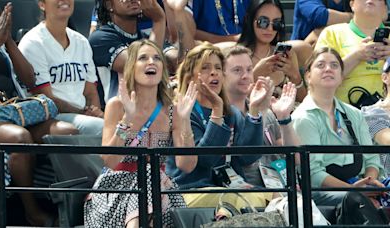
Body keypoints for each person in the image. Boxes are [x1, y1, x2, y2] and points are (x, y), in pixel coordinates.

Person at [84, 39, 197, 228]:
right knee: (148, 181)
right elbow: (110, 161)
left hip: (158, 188)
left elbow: (186, 166)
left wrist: (185, 121)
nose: (151, 62)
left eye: (156, 58)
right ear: (131, 68)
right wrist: (127, 120)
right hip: (116, 190)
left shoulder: (173, 111)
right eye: (143, 58)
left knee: (152, 179)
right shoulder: (117, 105)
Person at [0, 2, 78, 226]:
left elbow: (29, 80)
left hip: (11, 112)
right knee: (19, 138)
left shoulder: (1, 45)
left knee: (66, 132)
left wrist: (7, 41)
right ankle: (31, 212)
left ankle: (72, 204)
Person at [166, 42, 273, 209]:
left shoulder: (231, 112)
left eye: (217, 67)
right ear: (190, 76)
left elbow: (248, 157)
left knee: (284, 196)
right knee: (234, 200)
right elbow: (206, 159)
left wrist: (254, 110)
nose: (214, 72)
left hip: (229, 187)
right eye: (205, 68)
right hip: (190, 189)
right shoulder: (183, 111)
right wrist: (216, 112)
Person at [292, 47, 384, 206]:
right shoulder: (303, 117)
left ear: (341, 77)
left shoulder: (354, 114)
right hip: (320, 194)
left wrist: (370, 183)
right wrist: (354, 191)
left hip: (359, 188)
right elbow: (313, 174)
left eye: (334, 65)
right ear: (308, 76)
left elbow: (372, 159)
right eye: (320, 65)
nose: (328, 69)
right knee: (358, 202)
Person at [18, 0, 104, 136]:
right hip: (49, 118)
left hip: (83, 116)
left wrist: (95, 112)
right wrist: (84, 114)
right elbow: (46, 99)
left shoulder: (81, 42)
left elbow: (90, 92)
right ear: (42, 4)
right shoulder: (33, 42)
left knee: (125, 131)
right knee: (105, 129)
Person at [222, 45, 300, 186]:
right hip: (248, 194)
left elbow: (297, 158)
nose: (245, 75)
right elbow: (246, 157)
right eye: (237, 70)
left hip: (282, 189)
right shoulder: (221, 115)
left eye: (249, 69)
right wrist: (260, 111)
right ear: (222, 75)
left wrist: (284, 118)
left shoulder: (268, 112)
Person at [88, 0, 166, 103]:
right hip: (114, 114)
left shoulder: (146, 38)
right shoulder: (100, 38)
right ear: (109, 4)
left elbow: (178, 61)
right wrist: (159, 20)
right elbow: (141, 67)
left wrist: (176, 11)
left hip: (147, 111)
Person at [315, 0, 390, 106]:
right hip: (344, 114)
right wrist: (357, 55)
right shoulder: (332, 33)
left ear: (385, 9)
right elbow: (319, 80)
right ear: (352, 4)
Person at [238, 0, 308, 102]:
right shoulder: (237, 56)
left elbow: (303, 101)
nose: (270, 28)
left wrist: (295, 76)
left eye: (276, 23)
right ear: (250, 20)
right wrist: (254, 75)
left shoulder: (287, 54)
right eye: (263, 22)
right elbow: (231, 103)